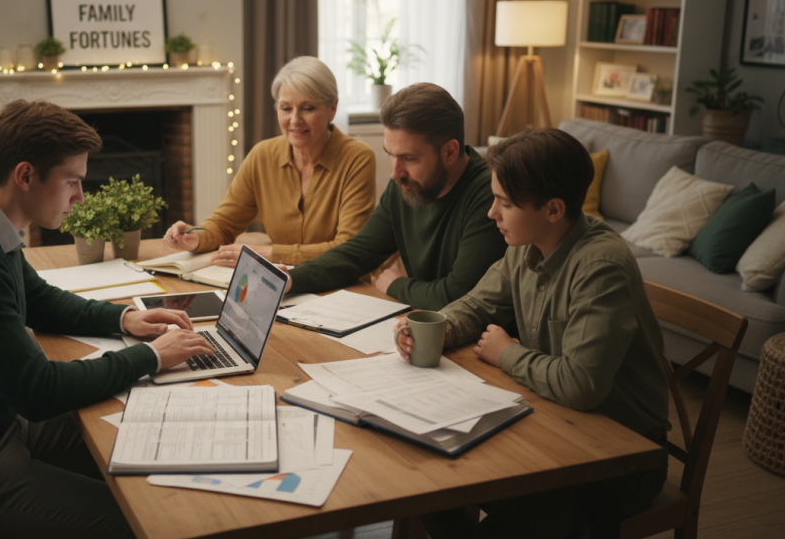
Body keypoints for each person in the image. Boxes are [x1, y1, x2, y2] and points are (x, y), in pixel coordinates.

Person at [0, 100, 214, 539]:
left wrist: (126, 319)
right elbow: (36, 391)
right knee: (141, 522)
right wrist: (149, 357)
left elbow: (40, 300)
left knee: (149, 438)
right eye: (72, 182)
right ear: (26, 175)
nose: (81, 197)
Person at [396, 128, 669, 538]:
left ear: (553, 209)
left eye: (505, 203)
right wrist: (436, 329)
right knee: (424, 475)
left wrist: (504, 352)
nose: (492, 214)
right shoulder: (525, 244)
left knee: (450, 490)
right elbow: (476, 304)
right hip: (554, 423)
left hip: (620, 457)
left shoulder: (601, 267)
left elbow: (581, 385)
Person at [286, 82, 508, 310]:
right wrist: (291, 279)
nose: (395, 174)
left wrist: (396, 284)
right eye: (391, 155)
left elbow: (457, 297)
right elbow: (357, 254)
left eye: (409, 158)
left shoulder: (491, 195)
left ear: (449, 152)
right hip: (422, 327)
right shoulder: (407, 184)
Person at [163, 56, 376, 267]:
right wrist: (195, 238)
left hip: (342, 283)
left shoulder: (357, 158)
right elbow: (224, 224)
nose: (295, 120)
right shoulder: (262, 155)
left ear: (332, 108)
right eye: (286, 108)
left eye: (308, 108)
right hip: (282, 279)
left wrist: (269, 253)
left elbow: (348, 248)